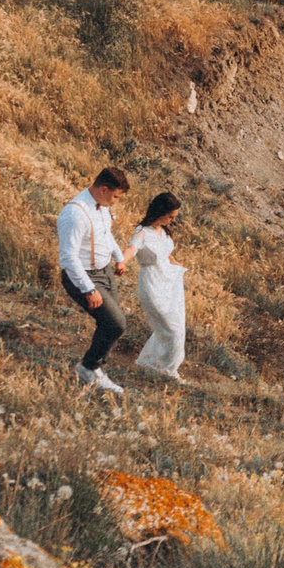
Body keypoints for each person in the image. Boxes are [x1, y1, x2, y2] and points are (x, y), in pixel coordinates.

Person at [57, 167, 131, 396]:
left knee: (110, 323)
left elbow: (106, 235)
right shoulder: (75, 214)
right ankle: (88, 368)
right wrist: (88, 289)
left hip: (105, 272)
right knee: (116, 324)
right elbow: (68, 258)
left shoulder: (102, 207)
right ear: (103, 190)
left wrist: (118, 257)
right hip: (83, 276)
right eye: (116, 196)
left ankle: (95, 368)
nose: (116, 202)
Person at [131, 193, 189, 382]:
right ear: (160, 212)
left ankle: (151, 363)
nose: (172, 220)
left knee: (174, 326)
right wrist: (121, 261)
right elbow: (132, 248)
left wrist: (175, 263)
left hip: (168, 283)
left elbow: (165, 253)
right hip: (152, 284)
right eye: (170, 216)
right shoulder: (142, 232)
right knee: (172, 330)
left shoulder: (163, 231)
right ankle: (168, 370)